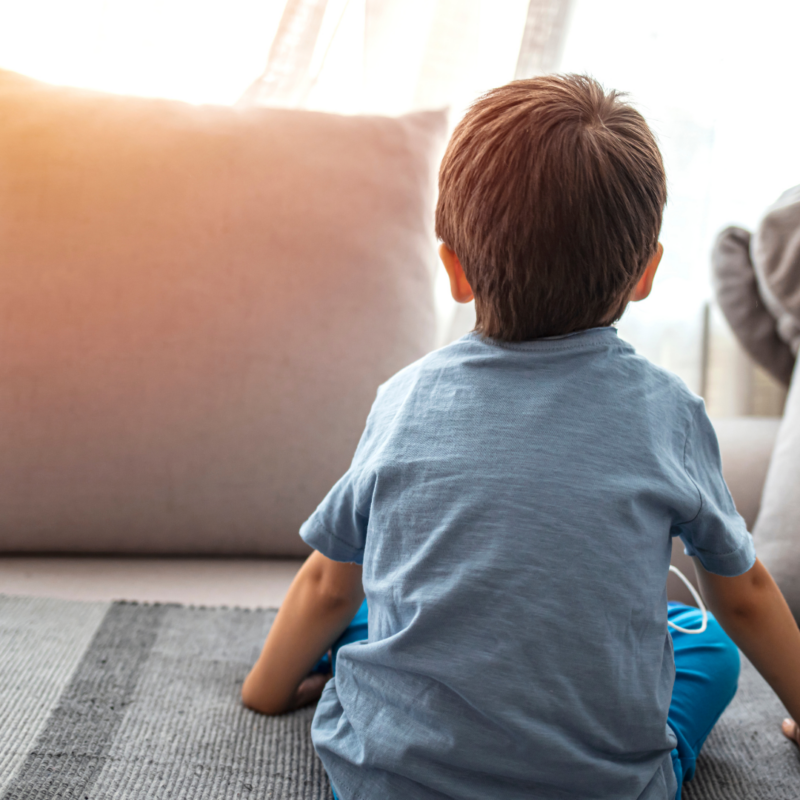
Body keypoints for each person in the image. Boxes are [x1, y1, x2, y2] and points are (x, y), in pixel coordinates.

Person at [241, 74, 800, 800]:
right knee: (705, 643)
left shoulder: (404, 399)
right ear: (646, 274)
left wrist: (264, 692)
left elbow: (324, 582)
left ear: (454, 268)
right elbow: (748, 594)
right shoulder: (669, 412)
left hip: (386, 780)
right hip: (596, 790)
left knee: (368, 619)